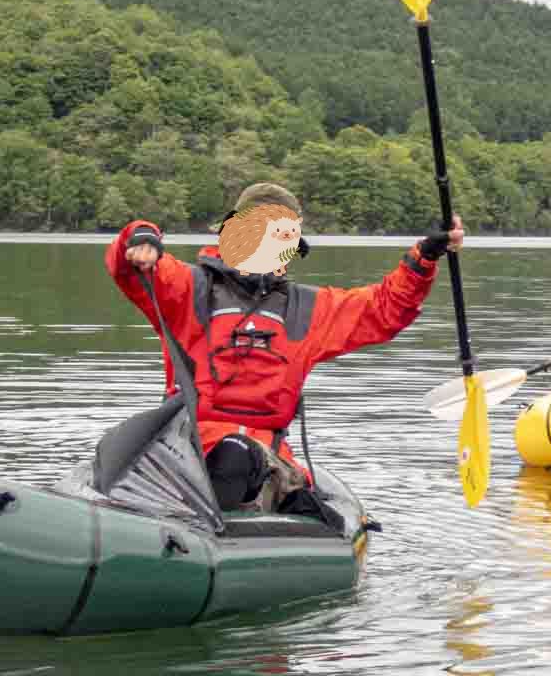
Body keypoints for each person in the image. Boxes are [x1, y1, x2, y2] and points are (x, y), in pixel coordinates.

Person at [106, 182, 465, 512]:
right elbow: (127, 265)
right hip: (187, 449)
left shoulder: (308, 309)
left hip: (268, 457)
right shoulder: (186, 288)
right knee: (233, 455)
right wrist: (141, 237)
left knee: (274, 481)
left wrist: (424, 257)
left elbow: (385, 310)